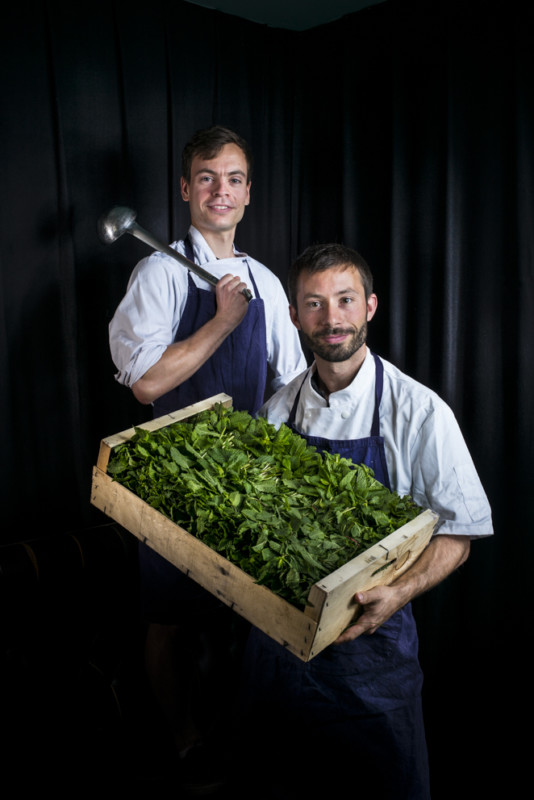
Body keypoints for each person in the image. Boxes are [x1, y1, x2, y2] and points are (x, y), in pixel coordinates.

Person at [237, 242, 493, 800]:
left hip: (371, 661)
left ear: (370, 306)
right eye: (315, 303)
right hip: (277, 658)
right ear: (294, 316)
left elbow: (459, 532)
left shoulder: (419, 411)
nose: (332, 318)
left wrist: (398, 592)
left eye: (345, 300)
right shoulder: (275, 413)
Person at [108, 126, 306, 792]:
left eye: (234, 178)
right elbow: (147, 383)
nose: (221, 190)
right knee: (168, 619)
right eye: (208, 177)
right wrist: (220, 321)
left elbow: (289, 387)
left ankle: (235, 730)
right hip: (169, 480)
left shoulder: (266, 284)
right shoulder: (159, 272)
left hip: (246, 480)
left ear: (248, 193)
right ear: (187, 188)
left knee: (241, 617)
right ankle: (185, 742)